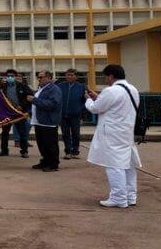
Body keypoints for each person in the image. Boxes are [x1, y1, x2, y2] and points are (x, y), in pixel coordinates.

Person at [84, 64, 142, 208]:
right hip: (126, 131)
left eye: (105, 77)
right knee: (128, 165)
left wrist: (88, 100)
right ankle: (130, 196)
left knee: (114, 165)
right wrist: (99, 98)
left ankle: (118, 198)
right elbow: (117, 105)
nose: (105, 80)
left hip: (112, 133)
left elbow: (95, 108)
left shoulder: (110, 91)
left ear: (110, 76)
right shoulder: (132, 89)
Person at [26, 70, 63, 172]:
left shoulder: (54, 89)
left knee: (50, 144)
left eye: (41, 77)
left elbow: (52, 104)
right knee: (42, 144)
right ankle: (45, 161)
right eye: (38, 77)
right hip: (39, 121)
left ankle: (53, 164)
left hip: (48, 121)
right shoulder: (41, 88)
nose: (39, 79)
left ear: (48, 78)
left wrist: (34, 100)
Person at [0, 69, 34, 158]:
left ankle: (24, 151)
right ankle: (4, 150)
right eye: (8, 76)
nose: (10, 77)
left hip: (19, 112)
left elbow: (29, 97)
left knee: (22, 132)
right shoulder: (3, 86)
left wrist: (22, 106)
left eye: (12, 76)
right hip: (7, 113)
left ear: (16, 77)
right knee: (4, 132)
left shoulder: (22, 86)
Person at [57, 68, 87, 160]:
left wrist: (80, 110)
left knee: (76, 134)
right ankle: (68, 151)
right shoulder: (60, 86)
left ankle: (75, 151)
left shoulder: (82, 87)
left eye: (71, 75)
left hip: (76, 115)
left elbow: (85, 101)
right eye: (67, 75)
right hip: (63, 115)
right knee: (65, 134)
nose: (69, 76)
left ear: (76, 76)